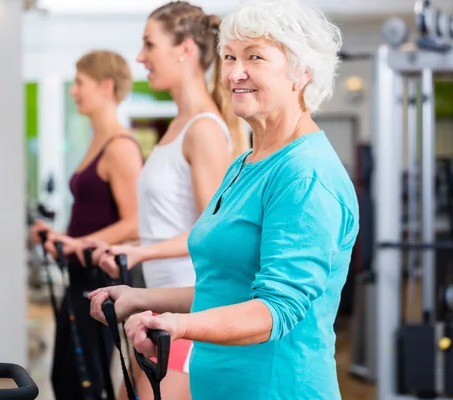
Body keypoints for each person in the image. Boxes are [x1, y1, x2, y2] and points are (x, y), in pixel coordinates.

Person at [89, 0, 359, 399]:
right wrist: (140, 298)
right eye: (229, 56)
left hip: (277, 388)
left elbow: (274, 311)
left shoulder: (305, 174)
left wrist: (179, 327)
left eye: (255, 57)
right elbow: (227, 288)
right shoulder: (245, 164)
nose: (234, 72)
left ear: (302, 72)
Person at [85, 2, 248, 399]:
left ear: (185, 49)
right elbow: (172, 221)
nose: (140, 57)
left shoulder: (204, 130)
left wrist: (141, 255)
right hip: (157, 305)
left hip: (191, 308)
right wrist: (132, 247)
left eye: (149, 45)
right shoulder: (178, 126)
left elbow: (213, 234)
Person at [29, 49, 143, 400]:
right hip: (80, 277)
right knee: (64, 377)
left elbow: (135, 223)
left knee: (84, 381)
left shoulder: (120, 146)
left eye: (80, 83)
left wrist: (80, 244)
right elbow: (93, 215)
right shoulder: (96, 141)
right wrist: (62, 238)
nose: (73, 91)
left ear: (106, 86)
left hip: (101, 281)